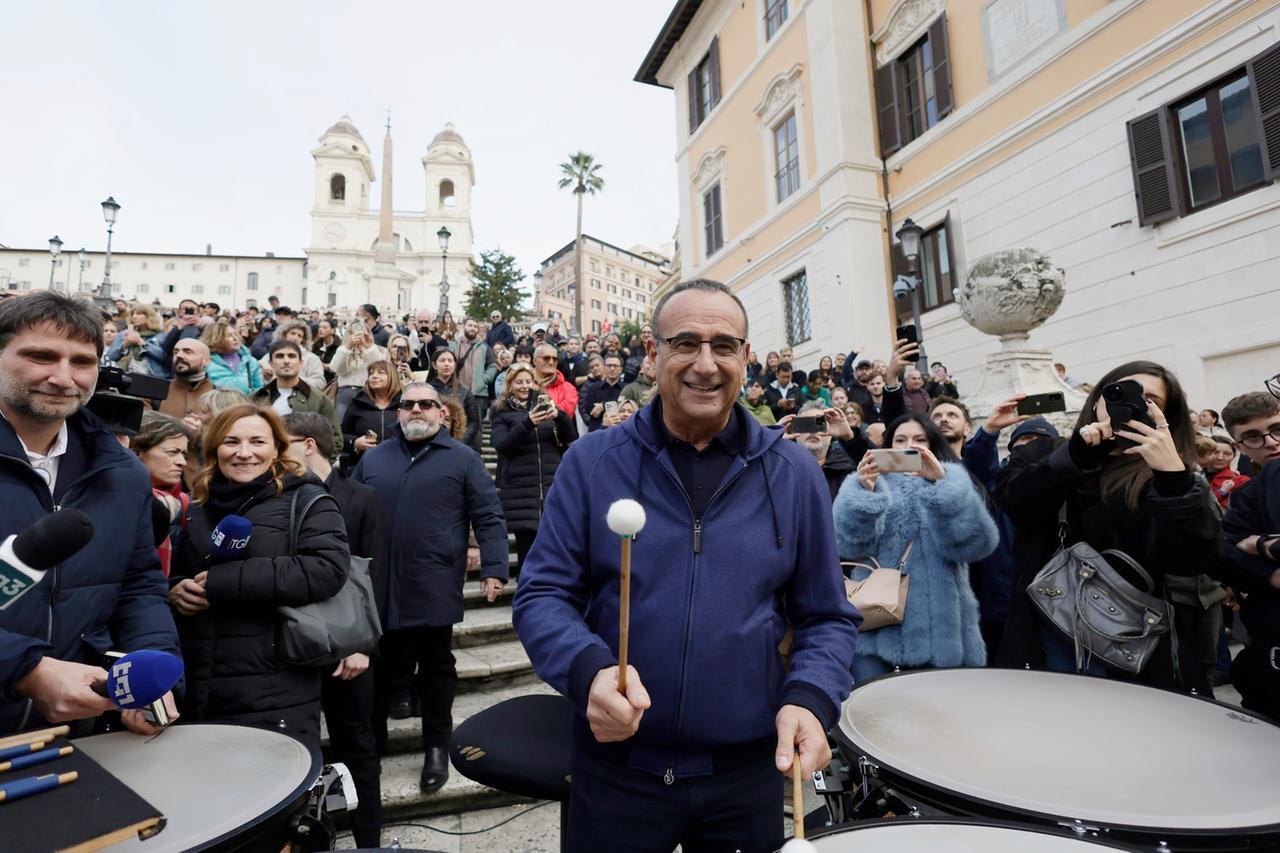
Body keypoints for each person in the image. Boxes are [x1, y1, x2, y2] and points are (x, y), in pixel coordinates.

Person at [513, 279, 858, 853]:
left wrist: (810, 697)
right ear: (653, 356)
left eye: (724, 346)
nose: (706, 364)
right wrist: (588, 669)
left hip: (745, 770)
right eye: (685, 344)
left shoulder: (795, 473)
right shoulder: (591, 462)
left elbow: (826, 615)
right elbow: (543, 594)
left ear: (746, 359)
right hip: (618, 769)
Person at [0, 291, 182, 737]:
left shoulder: (123, 473)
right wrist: (24, 669)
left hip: (73, 735)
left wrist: (149, 663)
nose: (63, 378)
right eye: (41, 356)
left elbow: (139, 584)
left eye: (81, 361)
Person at [993, 361, 1220, 692]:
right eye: (1119, 392)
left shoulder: (1170, 470)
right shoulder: (1048, 451)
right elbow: (1016, 505)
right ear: (1097, 399)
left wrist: (1173, 479)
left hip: (1135, 636)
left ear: (1165, 413)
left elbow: (1193, 559)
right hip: (1051, 626)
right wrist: (1076, 459)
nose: (1131, 403)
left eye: (1150, 398)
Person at [353, 383, 508, 793]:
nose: (416, 409)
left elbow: (489, 516)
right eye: (408, 404)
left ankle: (436, 747)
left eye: (426, 403)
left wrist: (494, 567)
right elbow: (348, 510)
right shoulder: (374, 459)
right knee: (384, 669)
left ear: (442, 413)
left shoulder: (463, 458)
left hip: (434, 580)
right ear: (398, 412)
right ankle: (375, 742)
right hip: (379, 584)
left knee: (437, 670)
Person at [168, 404, 349, 750]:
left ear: (277, 449)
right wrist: (175, 590)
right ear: (214, 448)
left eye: (257, 441)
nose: (244, 452)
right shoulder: (199, 505)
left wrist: (223, 582)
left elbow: (326, 569)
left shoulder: (307, 498)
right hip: (200, 684)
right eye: (231, 441)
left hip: (275, 687)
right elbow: (181, 571)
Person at [283, 412, 386, 848]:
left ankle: (368, 842)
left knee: (357, 746)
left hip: (350, 648)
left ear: (308, 445)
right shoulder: (278, 496)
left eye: (280, 442)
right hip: (293, 647)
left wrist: (361, 644)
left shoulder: (363, 498)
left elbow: (376, 575)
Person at [835, 414, 997, 680]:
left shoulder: (952, 481)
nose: (910, 445)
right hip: (879, 629)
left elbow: (979, 545)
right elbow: (847, 546)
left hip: (944, 634)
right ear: (888, 446)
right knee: (878, 716)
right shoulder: (868, 483)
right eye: (901, 439)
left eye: (920, 439)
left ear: (933, 445)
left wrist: (942, 487)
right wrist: (864, 494)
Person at [1218, 391, 1280, 718]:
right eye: (1254, 437)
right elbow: (1225, 555)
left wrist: (1259, 544)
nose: (1271, 442)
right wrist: (1270, 573)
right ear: (1239, 447)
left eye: (1277, 429)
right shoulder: (1245, 495)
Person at [490, 364, 574, 578]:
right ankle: (526, 596)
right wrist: (528, 423)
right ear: (510, 386)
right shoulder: (502, 412)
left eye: (529, 381)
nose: (525, 386)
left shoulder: (547, 407)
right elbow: (500, 444)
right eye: (519, 382)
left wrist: (560, 417)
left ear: (536, 384)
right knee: (527, 550)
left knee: (554, 547)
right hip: (521, 491)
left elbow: (572, 440)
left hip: (551, 487)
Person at [132, 412, 193, 577]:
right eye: (173, 452)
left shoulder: (186, 503)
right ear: (137, 451)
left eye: (184, 453)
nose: (182, 462)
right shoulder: (116, 500)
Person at [250, 339, 341, 449]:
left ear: (300, 363)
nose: (286, 361)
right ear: (271, 364)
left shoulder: (318, 399)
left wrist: (317, 465)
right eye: (280, 356)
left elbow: (335, 440)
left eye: (291, 356)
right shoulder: (257, 398)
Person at [340, 360, 404, 471]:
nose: (374, 376)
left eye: (381, 372)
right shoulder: (357, 403)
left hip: (399, 465)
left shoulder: (405, 404)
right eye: (371, 373)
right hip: (364, 466)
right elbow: (341, 435)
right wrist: (355, 442)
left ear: (393, 377)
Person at [785, 401, 856, 499]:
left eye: (819, 424)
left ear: (831, 434)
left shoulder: (848, 466)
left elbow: (876, 466)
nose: (813, 431)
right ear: (794, 431)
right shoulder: (780, 465)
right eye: (806, 425)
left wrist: (849, 437)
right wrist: (773, 443)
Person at [332, 321, 388, 418]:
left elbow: (378, 369)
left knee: (366, 424)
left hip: (368, 392)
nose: (357, 336)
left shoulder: (377, 350)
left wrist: (369, 347)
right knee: (342, 426)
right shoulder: (343, 350)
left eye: (361, 333)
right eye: (352, 333)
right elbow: (337, 369)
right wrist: (348, 347)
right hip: (345, 392)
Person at [430, 349, 481, 451]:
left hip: (459, 442)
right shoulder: (427, 390)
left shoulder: (465, 392)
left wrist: (461, 441)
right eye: (442, 360)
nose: (446, 364)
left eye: (450, 360)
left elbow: (474, 422)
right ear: (434, 365)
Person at [450, 317, 498, 423]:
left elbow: (492, 366)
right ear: (463, 327)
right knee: (457, 424)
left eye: (475, 326)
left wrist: (484, 379)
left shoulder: (484, 347)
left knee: (477, 425)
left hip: (478, 395)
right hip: (457, 392)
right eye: (470, 325)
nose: (473, 328)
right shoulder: (454, 345)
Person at [158, 338, 216, 421]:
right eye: (176, 352)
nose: (179, 355)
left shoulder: (219, 395)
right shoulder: (155, 390)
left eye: (188, 352)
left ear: (206, 361)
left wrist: (203, 430)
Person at [200, 319, 263, 395]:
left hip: (246, 405)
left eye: (235, 334)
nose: (235, 338)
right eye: (229, 336)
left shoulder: (250, 361)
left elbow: (259, 389)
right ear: (216, 339)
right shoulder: (206, 362)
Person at [259, 319, 326, 389]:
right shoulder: (270, 356)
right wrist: (265, 377)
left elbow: (320, 383)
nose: (295, 338)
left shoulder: (312, 358)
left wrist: (294, 381)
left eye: (299, 336)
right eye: (292, 333)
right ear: (284, 334)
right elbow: (257, 378)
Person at [104, 303, 165, 375]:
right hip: (130, 375)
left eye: (139, 314)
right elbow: (111, 356)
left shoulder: (161, 335)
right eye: (133, 314)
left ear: (149, 316)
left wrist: (142, 343)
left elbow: (165, 358)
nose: (134, 317)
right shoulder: (125, 334)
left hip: (154, 377)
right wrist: (125, 344)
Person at [579, 353, 626, 432]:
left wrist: (603, 406)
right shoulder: (593, 388)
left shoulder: (626, 388)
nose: (612, 369)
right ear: (604, 368)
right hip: (598, 431)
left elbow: (626, 408)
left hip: (620, 430)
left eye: (615, 366)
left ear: (621, 369)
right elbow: (589, 409)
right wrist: (615, 404)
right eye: (609, 366)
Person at [535, 342, 579, 423]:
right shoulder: (524, 385)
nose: (551, 362)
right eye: (546, 358)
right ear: (535, 361)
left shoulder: (569, 388)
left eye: (555, 359)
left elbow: (566, 416)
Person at [1205, 435, 1249, 508]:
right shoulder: (1193, 476)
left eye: (1227, 454)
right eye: (1215, 452)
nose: (1220, 457)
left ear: (1234, 456)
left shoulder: (1240, 481)